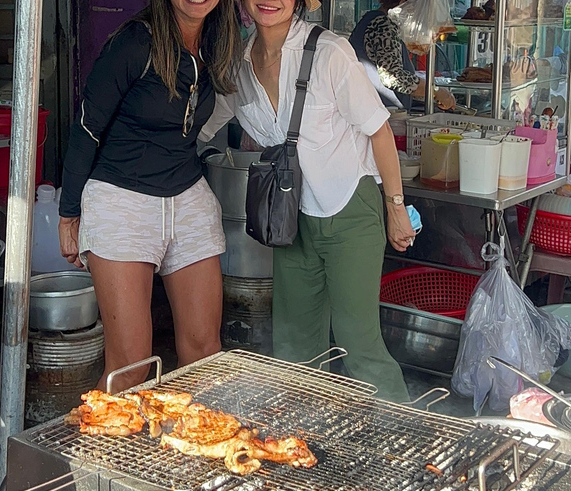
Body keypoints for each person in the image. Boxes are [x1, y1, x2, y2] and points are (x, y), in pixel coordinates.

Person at [200, 0, 412, 403]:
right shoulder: (240, 65)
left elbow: (379, 132)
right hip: (291, 219)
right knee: (295, 346)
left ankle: (408, 439)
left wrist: (396, 208)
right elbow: (206, 123)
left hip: (350, 210)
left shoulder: (330, 52)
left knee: (358, 341)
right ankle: (308, 436)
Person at [58, 0, 241, 393]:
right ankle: (95, 450)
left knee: (205, 353)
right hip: (121, 199)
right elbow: (87, 129)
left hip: (188, 194)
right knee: (130, 365)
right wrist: (69, 214)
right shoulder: (135, 42)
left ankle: (195, 446)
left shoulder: (219, 44)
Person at [349, 0, 456, 111]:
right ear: (403, 3)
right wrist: (435, 90)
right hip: (379, 111)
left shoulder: (374, 19)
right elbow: (393, 77)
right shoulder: (383, 25)